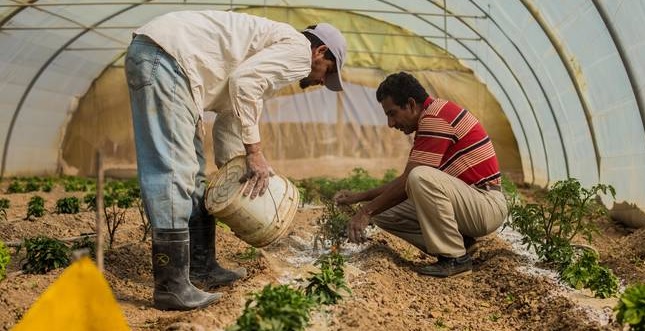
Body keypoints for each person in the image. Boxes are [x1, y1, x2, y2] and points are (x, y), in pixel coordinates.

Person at [125, 10, 347, 310]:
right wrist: (255, 153)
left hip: (168, 62)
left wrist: (235, 173)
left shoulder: (273, 50)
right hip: (167, 59)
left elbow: (231, 116)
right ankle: (171, 286)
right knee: (173, 170)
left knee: (191, 176)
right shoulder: (297, 51)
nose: (322, 80)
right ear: (319, 51)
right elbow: (244, 84)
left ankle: (201, 268)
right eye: (328, 71)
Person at [335, 72, 507, 278]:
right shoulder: (431, 116)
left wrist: (365, 212)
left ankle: (455, 258)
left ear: (411, 104)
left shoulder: (435, 118)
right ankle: (462, 243)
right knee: (385, 213)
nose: (391, 123)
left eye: (392, 113)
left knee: (419, 177)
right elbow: (406, 182)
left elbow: (413, 178)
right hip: (472, 202)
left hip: (486, 204)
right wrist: (361, 198)